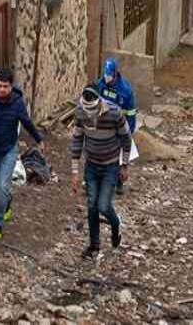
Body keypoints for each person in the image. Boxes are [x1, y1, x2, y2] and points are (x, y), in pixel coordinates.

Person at [0, 67, 45, 241]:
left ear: (11, 86)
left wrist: (39, 139)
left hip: (9, 150)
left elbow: (27, 123)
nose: (2, 89)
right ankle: (7, 202)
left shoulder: (17, 104)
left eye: (5, 86)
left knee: (3, 187)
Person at [70, 86, 132, 260]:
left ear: (99, 103)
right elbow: (77, 140)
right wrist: (75, 172)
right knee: (92, 206)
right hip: (91, 165)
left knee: (103, 206)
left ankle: (115, 225)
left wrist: (124, 165)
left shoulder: (114, 113)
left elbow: (126, 139)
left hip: (110, 166)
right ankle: (94, 245)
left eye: (92, 111)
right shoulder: (80, 112)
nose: (89, 115)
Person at [97, 57, 136, 194]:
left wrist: (128, 133)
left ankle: (119, 182)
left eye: (109, 74)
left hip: (120, 127)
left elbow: (131, 114)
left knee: (119, 156)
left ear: (115, 73)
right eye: (105, 74)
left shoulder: (125, 91)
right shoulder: (100, 85)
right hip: (104, 126)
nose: (106, 77)